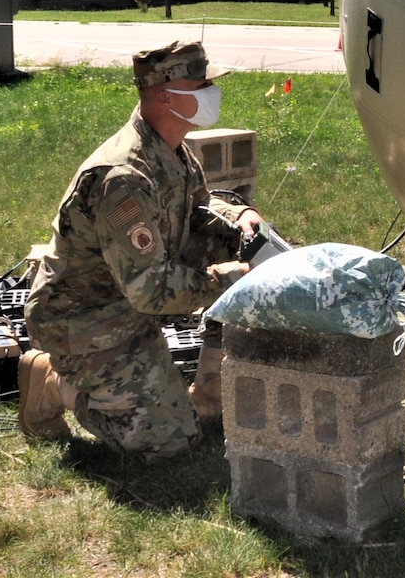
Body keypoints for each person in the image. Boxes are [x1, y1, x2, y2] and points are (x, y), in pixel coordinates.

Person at [19, 39, 262, 458]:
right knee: (168, 441)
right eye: (201, 85)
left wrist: (238, 216)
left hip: (130, 293)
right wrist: (230, 279)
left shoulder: (173, 148)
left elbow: (197, 208)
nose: (212, 93)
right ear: (167, 97)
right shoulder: (123, 178)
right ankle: (51, 382)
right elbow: (149, 289)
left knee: (240, 244)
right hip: (86, 318)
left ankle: (209, 391)